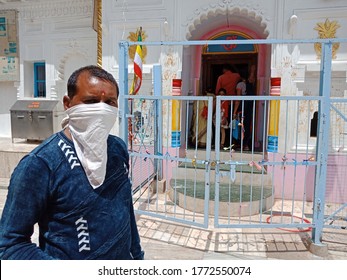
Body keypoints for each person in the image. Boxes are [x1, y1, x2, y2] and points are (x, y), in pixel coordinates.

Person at [0, 65, 144, 260]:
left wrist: (137, 257)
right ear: (68, 104)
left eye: (110, 102)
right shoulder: (41, 164)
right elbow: (11, 245)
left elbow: (126, 212)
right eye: (91, 101)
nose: (101, 110)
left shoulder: (117, 149)